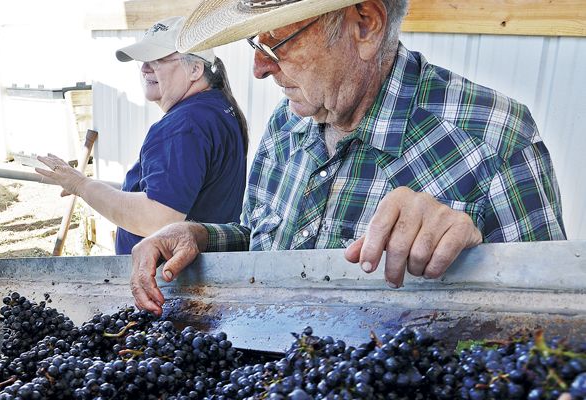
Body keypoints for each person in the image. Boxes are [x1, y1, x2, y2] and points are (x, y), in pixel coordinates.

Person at [130, 0, 566, 315]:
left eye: (277, 43)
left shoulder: (494, 141)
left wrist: (474, 250)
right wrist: (201, 238)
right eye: (253, 44)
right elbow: (270, 246)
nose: (260, 69)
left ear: (366, 25)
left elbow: (549, 337)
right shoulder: (288, 122)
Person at [36, 16, 249, 255]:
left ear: (195, 69)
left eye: (158, 60)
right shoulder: (217, 107)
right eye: (143, 61)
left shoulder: (183, 126)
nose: (145, 68)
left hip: (169, 280)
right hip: (203, 271)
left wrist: (81, 185)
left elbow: (157, 219)